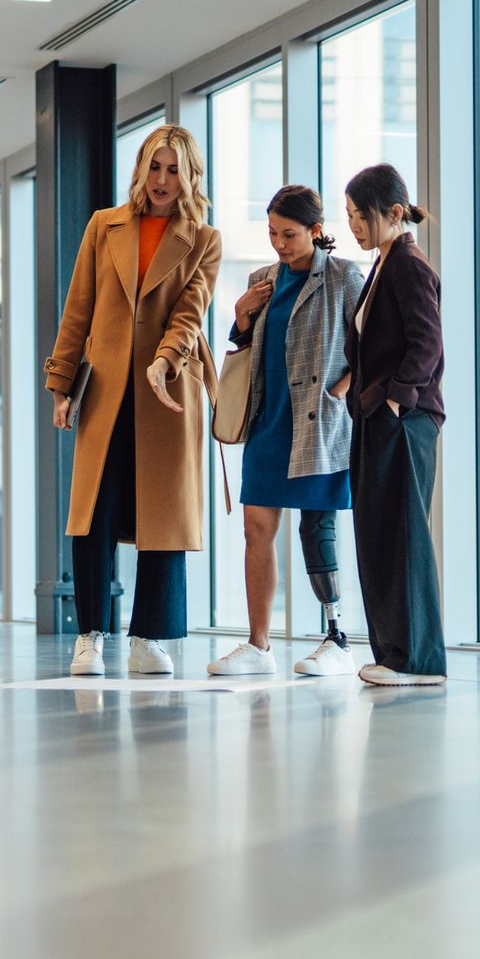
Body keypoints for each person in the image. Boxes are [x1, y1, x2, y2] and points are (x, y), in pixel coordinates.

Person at [46, 124, 222, 676]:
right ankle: (90, 636)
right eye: (155, 166)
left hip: (167, 392)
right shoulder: (105, 226)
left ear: (190, 175)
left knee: (162, 514)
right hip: (104, 389)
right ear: (141, 169)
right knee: (93, 512)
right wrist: (61, 384)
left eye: (174, 169)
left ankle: (150, 637)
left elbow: (190, 313)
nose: (163, 180)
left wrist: (165, 361)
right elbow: (79, 306)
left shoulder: (204, 240)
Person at [207, 185, 365, 678]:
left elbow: (371, 341)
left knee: (317, 529)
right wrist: (240, 317)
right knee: (256, 529)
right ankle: (258, 646)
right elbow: (246, 351)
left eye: (289, 234)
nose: (279, 243)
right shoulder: (263, 280)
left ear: (317, 232)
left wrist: (342, 388)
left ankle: (337, 637)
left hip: (318, 421)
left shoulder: (343, 276)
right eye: (272, 232)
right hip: (268, 421)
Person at [343, 163, 446, 687]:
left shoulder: (408, 264)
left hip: (403, 420)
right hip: (377, 415)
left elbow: (427, 344)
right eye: (350, 216)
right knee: (379, 534)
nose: (355, 226)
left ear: (395, 213)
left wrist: (396, 402)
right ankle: (392, 654)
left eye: (362, 216)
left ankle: (418, 661)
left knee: (402, 535)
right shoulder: (384, 263)